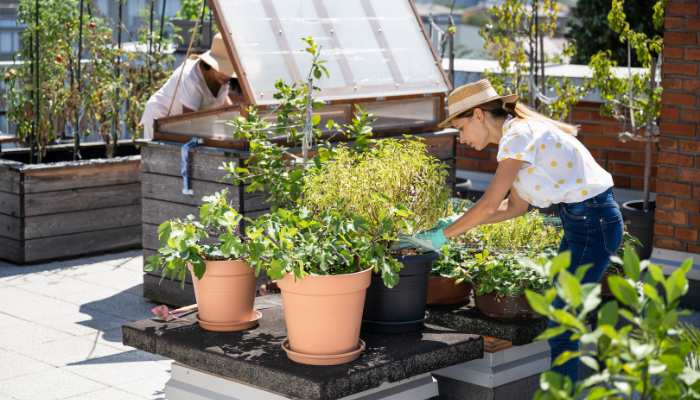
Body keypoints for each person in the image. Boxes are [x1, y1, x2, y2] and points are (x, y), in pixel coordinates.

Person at [420, 79, 624, 382]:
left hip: (593, 221)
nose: (461, 139)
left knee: (562, 317)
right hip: (583, 221)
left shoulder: (517, 136)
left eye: (460, 128)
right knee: (563, 312)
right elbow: (513, 207)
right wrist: (454, 225)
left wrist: (442, 236)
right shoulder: (518, 137)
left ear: (478, 114)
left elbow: (489, 205)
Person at [140, 33, 244, 140]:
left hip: (183, 123)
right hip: (161, 117)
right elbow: (189, 124)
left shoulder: (222, 79)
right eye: (223, 69)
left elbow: (224, 103)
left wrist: (240, 124)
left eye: (229, 71)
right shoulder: (192, 78)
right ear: (211, 64)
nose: (227, 75)